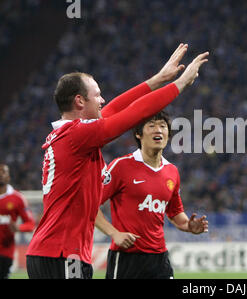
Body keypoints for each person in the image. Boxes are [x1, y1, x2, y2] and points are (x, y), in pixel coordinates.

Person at [26, 44, 209, 279]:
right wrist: (180, 83)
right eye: (97, 95)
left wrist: (158, 79)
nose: (102, 100)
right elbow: (134, 113)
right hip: (62, 254)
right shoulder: (78, 135)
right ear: (80, 102)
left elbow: (117, 107)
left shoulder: (70, 134)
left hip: (52, 252)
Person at [95, 110, 208, 279]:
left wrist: (189, 226)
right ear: (138, 134)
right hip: (126, 258)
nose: (158, 130)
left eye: (163, 126)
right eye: (152, 125)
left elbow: (175, 213)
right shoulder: (121, 166)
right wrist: (114, 233)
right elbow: (89, 205)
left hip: (159, 259)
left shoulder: (172, 172)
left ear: (168, 135)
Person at [0, 163, 35, 279]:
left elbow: (30, 224)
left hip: (4, 252)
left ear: (8, 177)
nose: (0, 174)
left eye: (3, 172)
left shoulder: (17, 198)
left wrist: (19, 228)